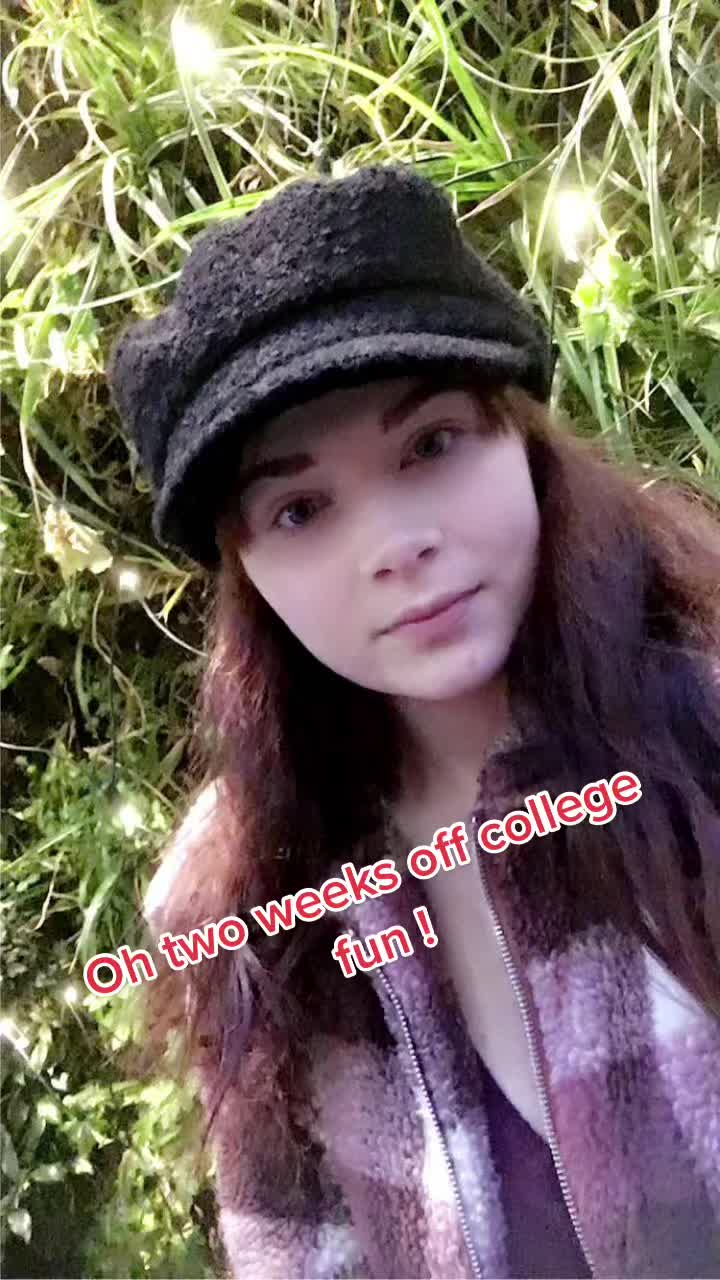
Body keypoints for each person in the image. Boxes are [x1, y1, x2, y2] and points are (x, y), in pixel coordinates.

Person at [107, 164, 720, 1279]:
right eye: (301, 508)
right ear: (248, 572)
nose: (395, 545)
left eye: (432, 444)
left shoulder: (702, 731)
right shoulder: (244, 903)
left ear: (521, 438)